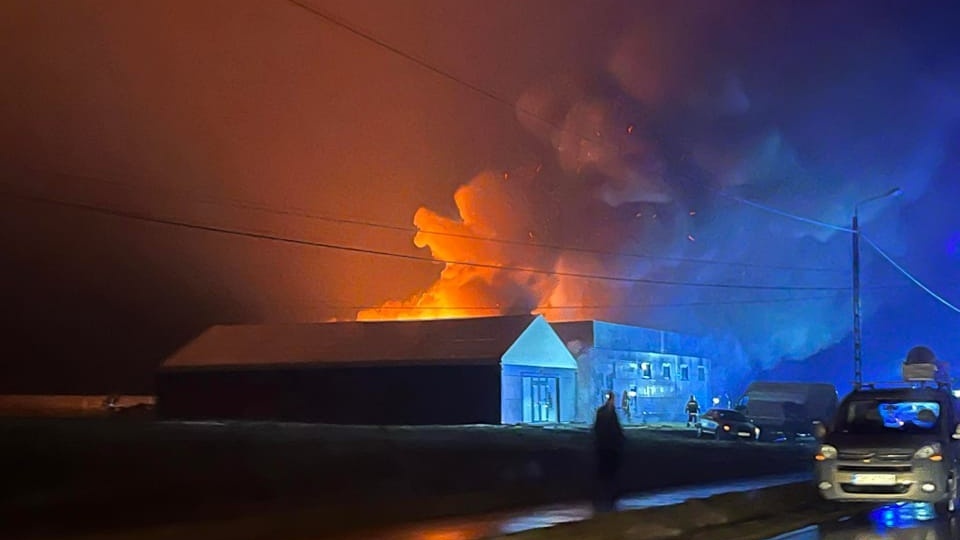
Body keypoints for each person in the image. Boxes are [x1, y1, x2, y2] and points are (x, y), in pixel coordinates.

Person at [593, 391, 625, 512]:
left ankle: (606, 495)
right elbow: (615, 430)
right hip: (608, 447)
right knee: (607, 472)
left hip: (606, 447)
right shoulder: (607, 412)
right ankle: (607, 496)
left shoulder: (603, 412)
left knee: (606, 472)